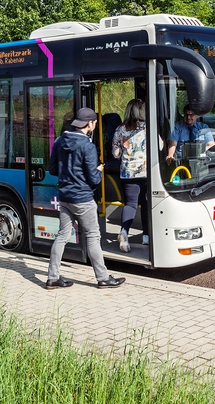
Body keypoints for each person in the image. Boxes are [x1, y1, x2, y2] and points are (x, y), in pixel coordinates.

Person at [46, 107, 126, 290]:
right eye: (95, 122)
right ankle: (103, 278)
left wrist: (68, 174)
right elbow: (94, 179)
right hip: (83, 198)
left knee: (62, 236)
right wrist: (99, 170)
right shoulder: (87, 146)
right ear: (90, 124)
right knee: (92, 236)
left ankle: (53, 277)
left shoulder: (59, 141)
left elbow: (53, 169)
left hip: (65, 197)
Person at [112, 99, 148, 252]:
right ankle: (146, 236)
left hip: (127, 173)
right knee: (146, 203)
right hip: (146, 172)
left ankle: (124, 232)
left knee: (130, 204)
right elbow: (159, 146)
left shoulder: (120, 129)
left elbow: (116, 153)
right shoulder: (148, 127)